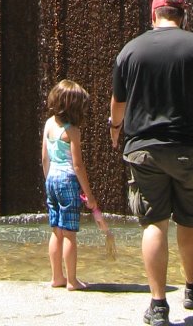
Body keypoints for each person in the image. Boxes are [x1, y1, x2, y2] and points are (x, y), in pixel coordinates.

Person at [110, 0, 193, 324]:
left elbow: (118, 101)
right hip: (190, 149)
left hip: (143, 149)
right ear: (182, 16)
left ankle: (159, 305)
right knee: (189, 220)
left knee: (154, 223)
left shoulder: (130, 51)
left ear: (153, 16)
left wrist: (115, 128)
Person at [42, 79, 108, 290]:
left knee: (56, 231)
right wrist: (89, 195)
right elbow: (78, 166)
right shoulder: (73, 132)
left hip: (51, 179)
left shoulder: (48, 124)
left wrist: (48, 181)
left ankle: (56, 277)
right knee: (69, 233)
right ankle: (72, 280)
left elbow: (44, 158)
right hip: (68, 180)